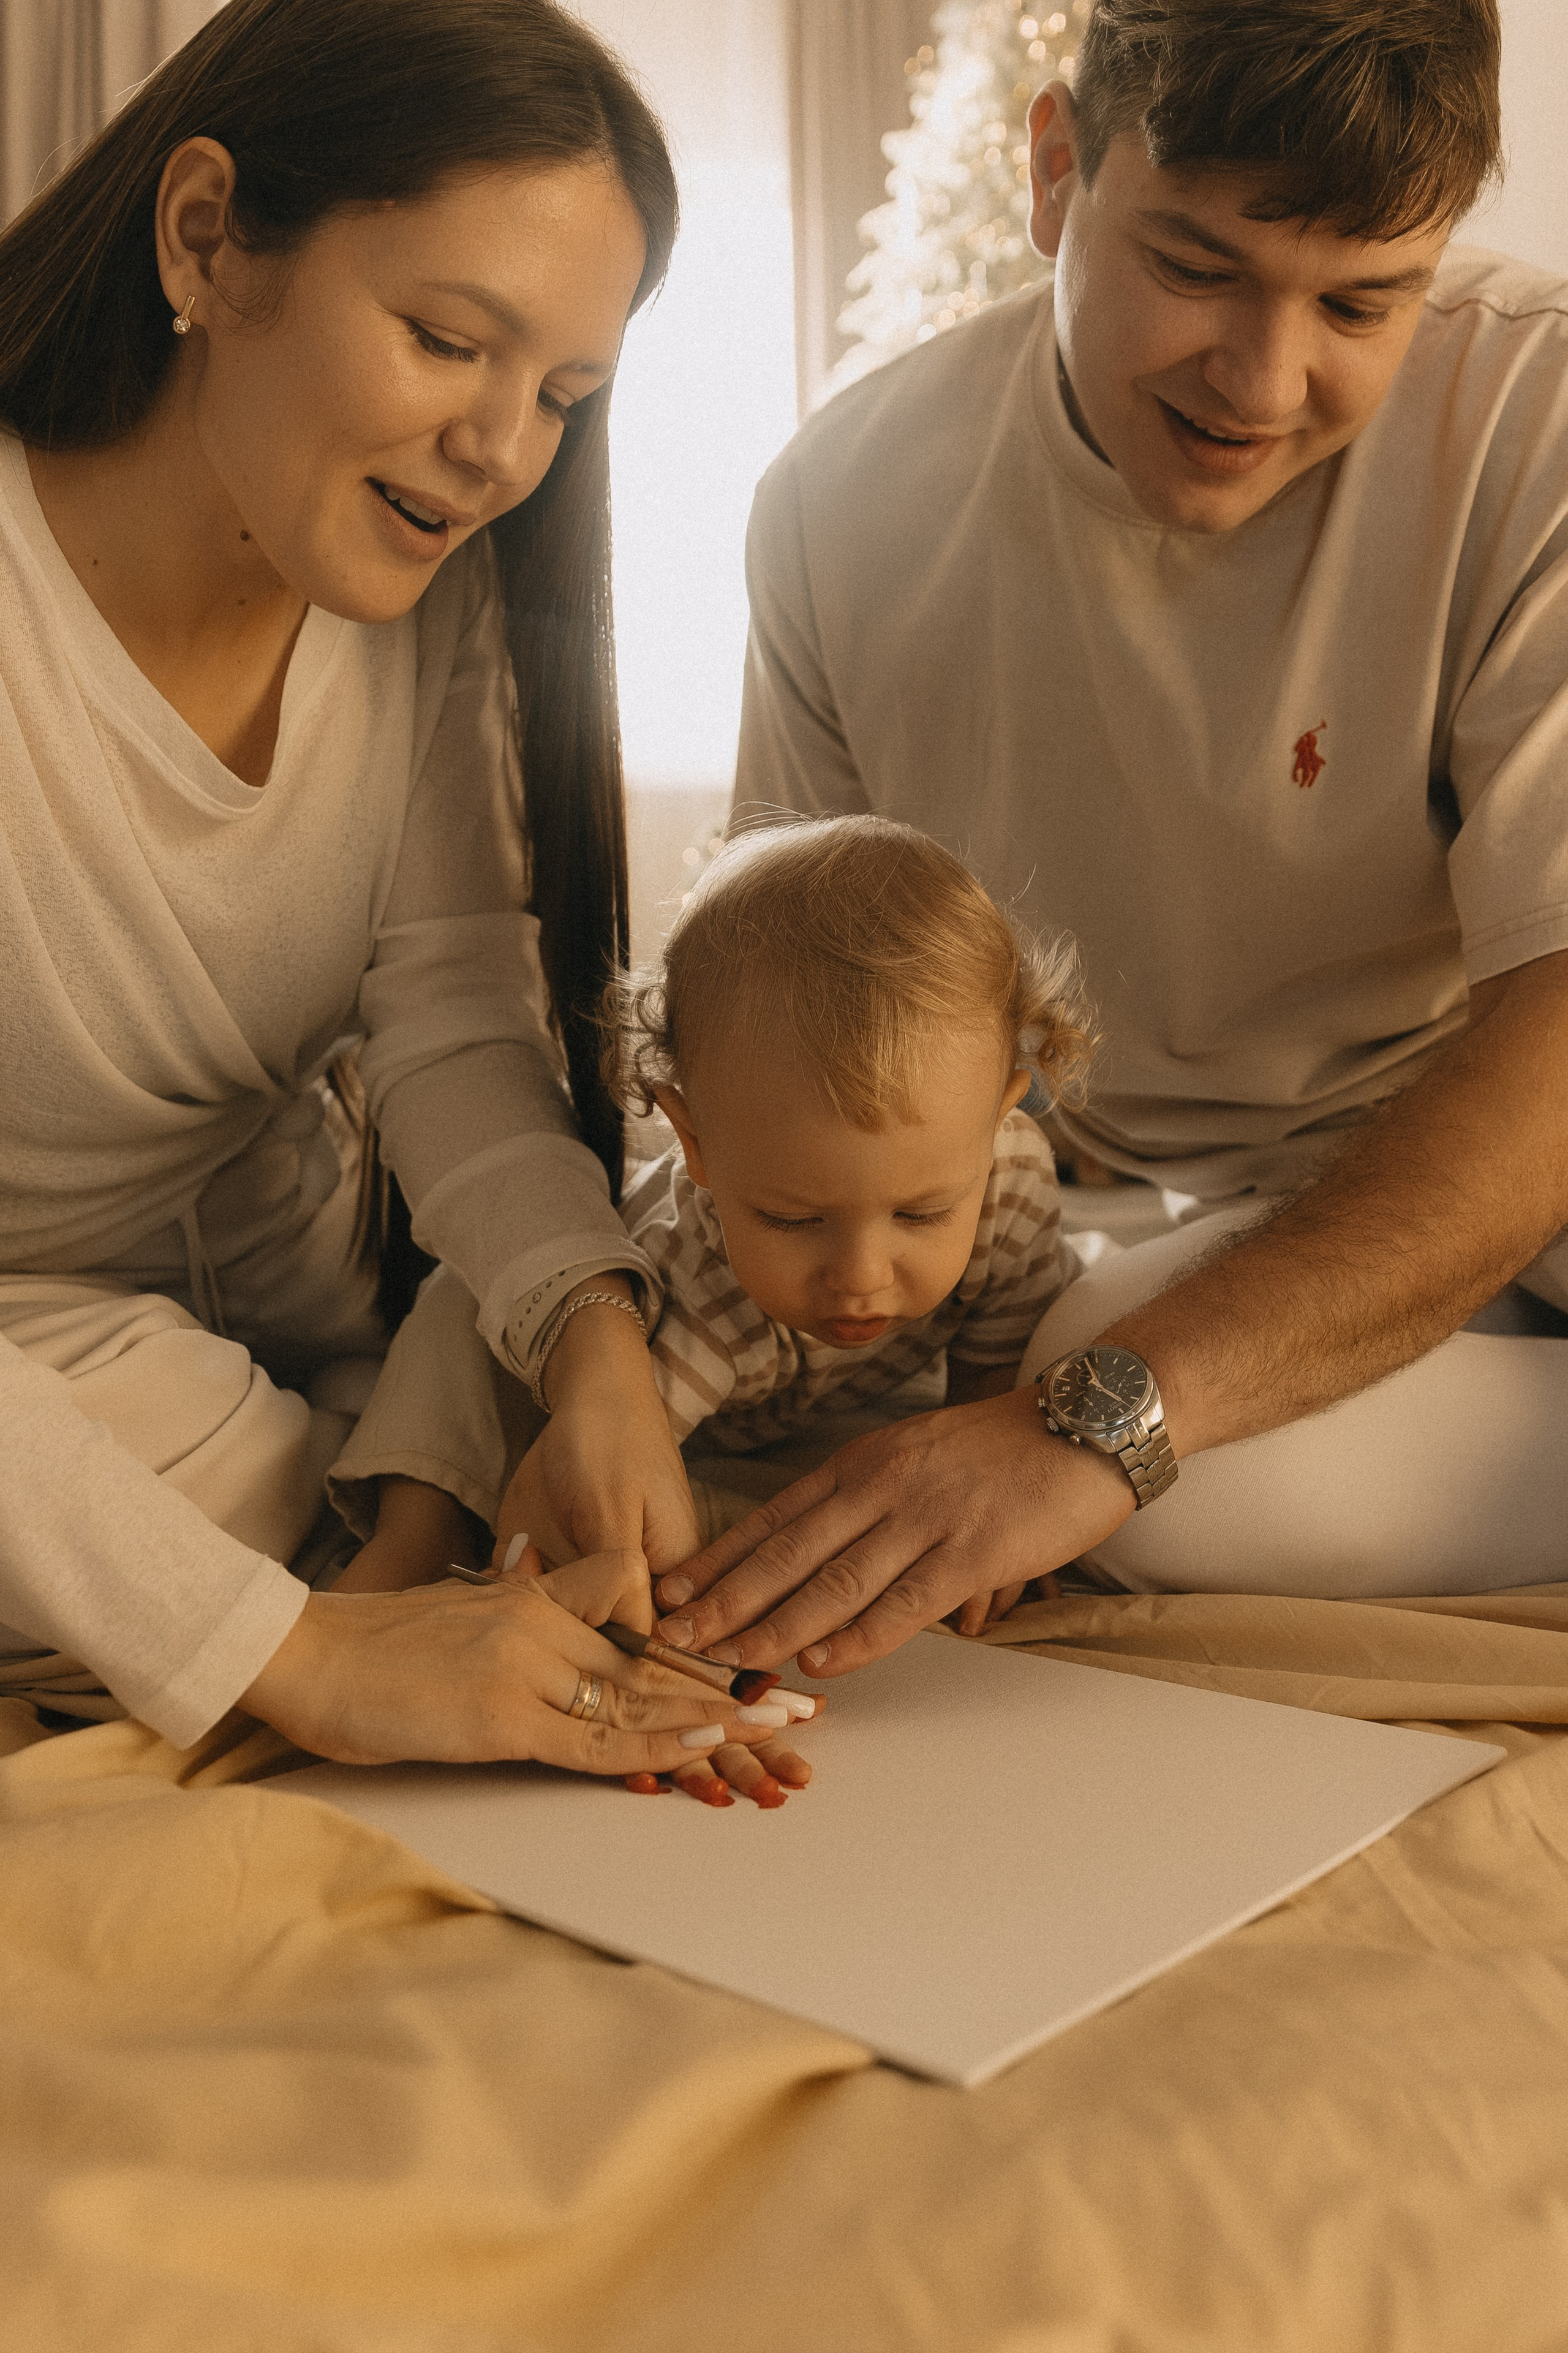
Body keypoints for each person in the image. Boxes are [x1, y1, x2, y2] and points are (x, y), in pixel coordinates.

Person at [647, 0, 1568, 1686]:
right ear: (1058, 170)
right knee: (1118, 1418)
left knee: (1111, 1416)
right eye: (1201, 267)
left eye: (1364, 300)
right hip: (1190, 1237)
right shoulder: (840, 507)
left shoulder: (1539, 413)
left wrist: (1104, 1425)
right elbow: (775, 1028)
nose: (1266, 378)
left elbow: (1554, 1057)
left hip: (1508, 1165)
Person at [0, 0, 769, 1782]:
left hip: (287, 1319)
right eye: (446, 339)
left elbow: (455, 1021)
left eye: (565, 396)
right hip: (61, 1368)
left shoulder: (429, 614)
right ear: (209, 239)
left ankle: (388, 1524)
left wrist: (590, 1353)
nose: (503, 449)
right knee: (227, 1485)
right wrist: (310, 1660)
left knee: (586, 1319)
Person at [332, 816, 1091, 1636]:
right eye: (792, 1218)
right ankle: (415, 1528)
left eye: (921, 1212)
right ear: (694, 1142)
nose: (863, 1274)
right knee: (461, 1308)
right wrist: (578, 1562)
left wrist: (983, 1532)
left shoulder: (1011, 1191)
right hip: (647, 1408)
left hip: (805, 1421)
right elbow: (611, 1485)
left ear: (999, 1115)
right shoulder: (694, 1275)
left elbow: (984, 1414)